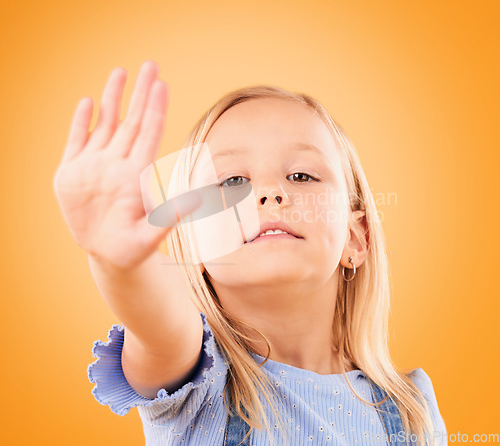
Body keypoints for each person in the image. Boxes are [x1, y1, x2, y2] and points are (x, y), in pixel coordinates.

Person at [53, 61, 447, 445]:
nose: (270, 193)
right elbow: (160, 327)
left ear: (355, 237)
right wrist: (122, 264)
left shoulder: (411, 408)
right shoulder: (197, 379)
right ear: (193, 244)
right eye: (233, 181)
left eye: (301, 175)